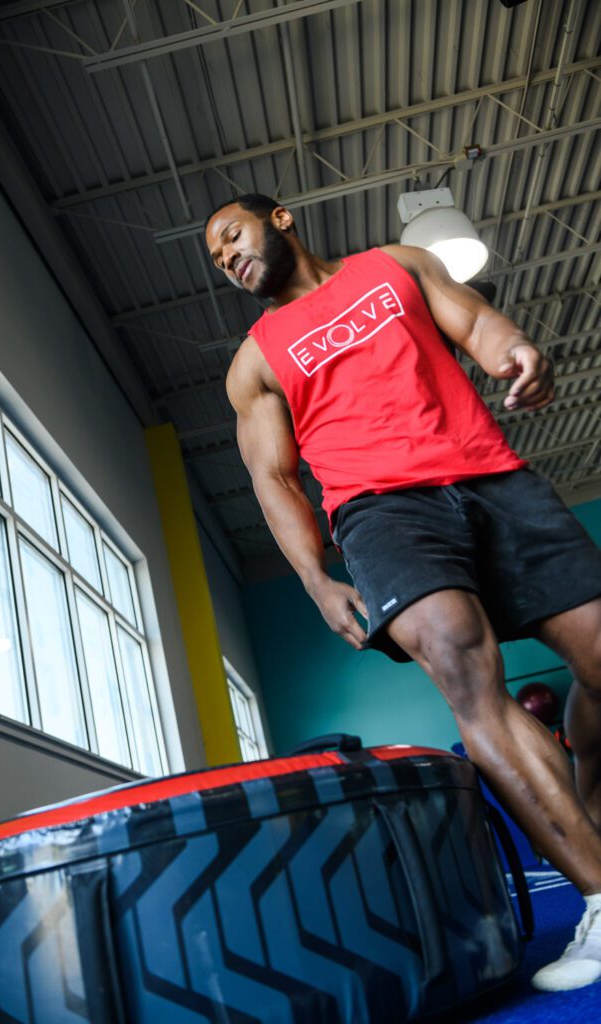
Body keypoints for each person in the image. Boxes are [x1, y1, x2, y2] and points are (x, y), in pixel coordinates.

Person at [205, 193, 601, 992]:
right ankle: (600, 896)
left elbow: (477, 322)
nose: (227, 256)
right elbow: (273, 478)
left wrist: (517, 351)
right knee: (462, 667)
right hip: (379, 511)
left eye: (232, 235)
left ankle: (585, 764)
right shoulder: (252, 362)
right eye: (215, 258)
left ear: (279, 218)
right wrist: (316, 579)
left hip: (493, 478)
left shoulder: (396, 264)